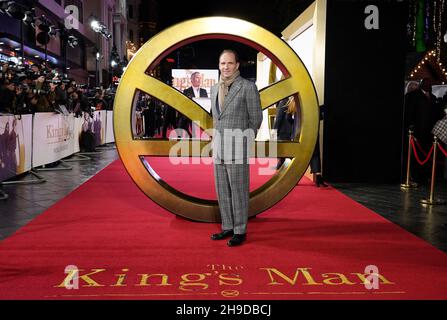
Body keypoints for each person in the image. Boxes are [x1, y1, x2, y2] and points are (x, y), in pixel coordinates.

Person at [210, 49, 263, 247]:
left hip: (238, 147)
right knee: (222, 191)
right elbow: (217, 118)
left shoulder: (248, 87)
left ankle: (240, 230)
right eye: (223, 63)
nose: (226, 67)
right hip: (219, 148)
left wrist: (245, 142)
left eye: (230, 63)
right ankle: (228, 227)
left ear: (237, 65)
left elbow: (256, 118)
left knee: (239, 191)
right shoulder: (215, 88)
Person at [182, 72, 209, 138]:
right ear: (192, 79)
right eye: (197, 77)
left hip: (201, 117)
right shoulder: (186, 91)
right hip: (190, 116)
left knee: (199, 136)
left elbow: (206, 104)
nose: (199, 79)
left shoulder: (204, 91)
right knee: (193, 135)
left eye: (200, 78)